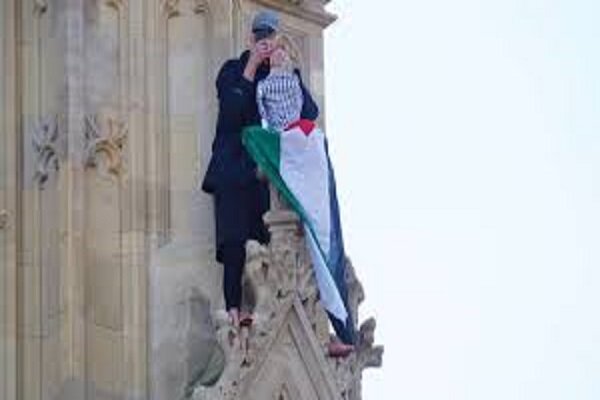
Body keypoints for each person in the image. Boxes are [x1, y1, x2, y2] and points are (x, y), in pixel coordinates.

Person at [201, 10, 319, 328]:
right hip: (233, 172)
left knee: (268, 240)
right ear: (251, 39)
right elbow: (230, 114)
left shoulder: (282, 75)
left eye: (271, 37)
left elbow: (309, 113)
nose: (265, 43)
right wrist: (252, 65)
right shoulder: (233, 71)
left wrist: (287, 72)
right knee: (234, 243)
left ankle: (268, 309)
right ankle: (234, 311)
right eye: (260, 37)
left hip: (268, 176)